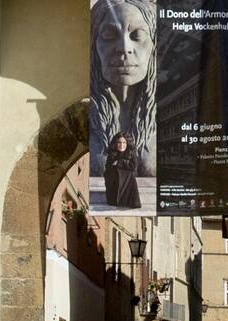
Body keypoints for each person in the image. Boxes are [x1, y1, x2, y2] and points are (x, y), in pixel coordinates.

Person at [88, 0, 157, 186]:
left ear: (154, 46)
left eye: (137, 35)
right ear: (94, 46)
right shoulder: (86, 117)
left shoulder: (170, 119)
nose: (124, 48)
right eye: (109, 35)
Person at [104, 134, 141, 208]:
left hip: (127, 181)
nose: (122, 145)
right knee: (114, 172)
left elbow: (133, 166)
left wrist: (120, 162)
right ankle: (116, 199)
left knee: (130, 174)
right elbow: (107, 168)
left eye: (124, 142)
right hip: (113, 181)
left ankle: (128, 200)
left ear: (127, 143)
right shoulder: (112, 153)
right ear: (115, 143)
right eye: (119, 142)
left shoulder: (131, 153)